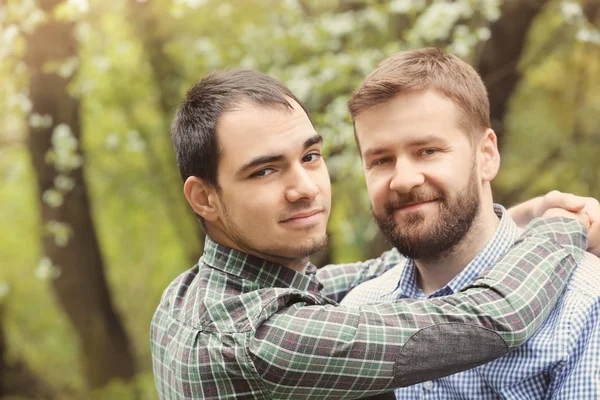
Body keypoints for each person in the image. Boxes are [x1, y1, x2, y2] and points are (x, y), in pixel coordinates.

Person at [149, 69, 595, 399]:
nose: (304, 189)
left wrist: (514, 218)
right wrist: (566, 226)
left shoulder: (187, 296)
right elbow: (495, 315)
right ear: (204, 198)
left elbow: (363, 272)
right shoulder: (260, 341)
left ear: (486, 155)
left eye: (309, 156)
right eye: (264, 171)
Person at [338, 48, 600, 399]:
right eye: (381, 160)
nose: (402, 180)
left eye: (427, 151)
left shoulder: (581, 304)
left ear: (486, 156)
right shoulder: (360, 312)